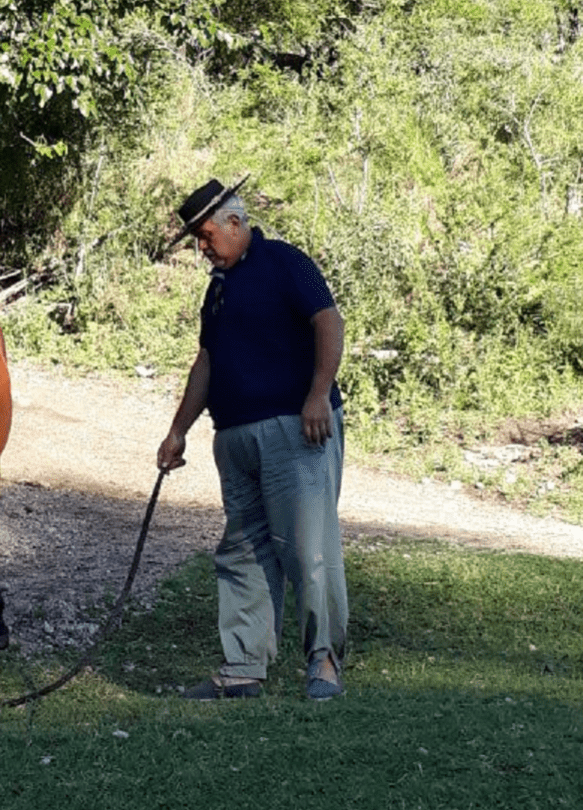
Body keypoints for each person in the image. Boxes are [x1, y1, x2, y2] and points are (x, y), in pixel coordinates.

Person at [156, 176, 348, 701]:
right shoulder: (217, 289)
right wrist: (178, 432)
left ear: (236, 223)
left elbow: (329, 323)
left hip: (295, 430)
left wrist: (317, 394)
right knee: (242, 549)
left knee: (308, 548)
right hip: (234, 439)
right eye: (197, 238)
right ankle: (243, 665)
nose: (201, 248)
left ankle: (324, 662)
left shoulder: (288, 262)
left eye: (205, 235)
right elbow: (207, 362)